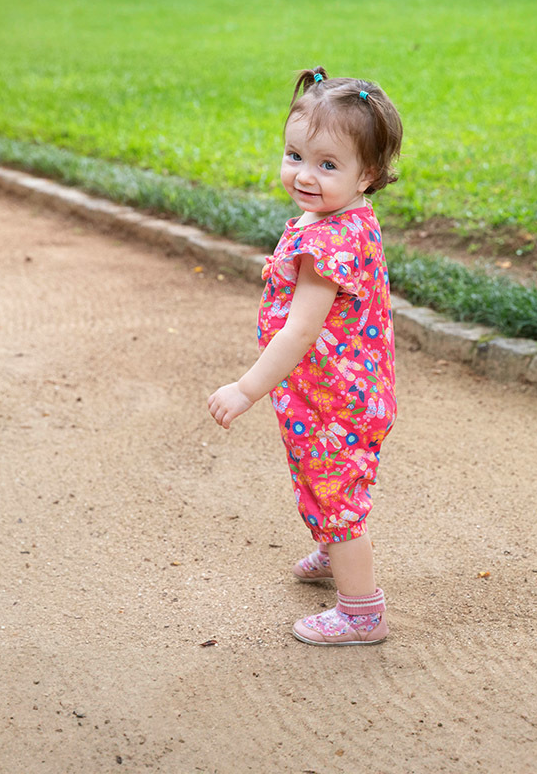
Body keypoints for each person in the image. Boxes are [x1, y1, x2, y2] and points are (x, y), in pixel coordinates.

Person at [207, 66, 404, 646]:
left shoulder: (325, 246)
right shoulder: (344, 216)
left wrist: (246, 389)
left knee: (337, 497)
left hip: (334, 400)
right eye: (295, 156)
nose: (304, 174)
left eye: (327, 165)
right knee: (322, 482)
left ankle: (362, 613)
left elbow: (298, 333)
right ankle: (331, 550)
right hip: (337, 388)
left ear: (368, 175)